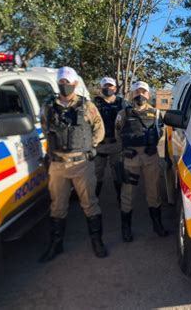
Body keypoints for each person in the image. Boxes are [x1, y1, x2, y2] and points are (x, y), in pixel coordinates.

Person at [39, 67, 107, 262]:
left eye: (68, 82)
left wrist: (92, 146)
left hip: (81, 163)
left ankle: (97, 242)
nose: (65, 86)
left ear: (75, 84)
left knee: (89, 204)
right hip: (58, 164)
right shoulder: (49, 107)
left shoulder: (87, 106)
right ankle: (56, 245)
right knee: (57, 206)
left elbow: (99, 128)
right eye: (62, 82)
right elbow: (45, 128)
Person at [115, 81, 167, 242]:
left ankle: (157, 225)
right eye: (137, 92)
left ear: (148, 94)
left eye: (143, 92)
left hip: (150, 157)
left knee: (154, 192)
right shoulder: (124, 114)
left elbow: (161, 132)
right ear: (132, 94)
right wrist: (124, 149)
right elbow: (117, 132)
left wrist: (155, 146)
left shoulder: (156, 113)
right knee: (128, 193)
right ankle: (126, 228)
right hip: (131, 158)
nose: (140, 95)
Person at [93, 77, 126, 204]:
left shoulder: (122, 103)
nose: (108, 88)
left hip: (116, 144)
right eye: (105, 86)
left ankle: (121, 200)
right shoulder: (94, 104)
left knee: (118, 172)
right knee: (96, 174)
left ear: (115, 88)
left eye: (111, 86)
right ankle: (93, 200)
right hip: (99, 145)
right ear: (101, 88)